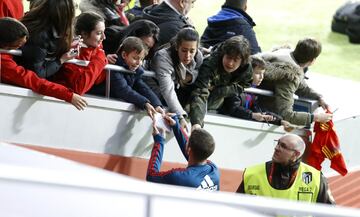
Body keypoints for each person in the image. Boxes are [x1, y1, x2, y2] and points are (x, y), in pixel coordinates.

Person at [0, 17, 87, 110]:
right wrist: (68, 95)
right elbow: (35, 82)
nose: (22, 49)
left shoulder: (6, 55)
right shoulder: (4, 62)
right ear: (6, 45)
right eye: (18, 46)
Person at [236, 134, 335, 204]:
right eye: (278, 143)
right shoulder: (253, 173)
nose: (277, 148)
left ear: (295, 154)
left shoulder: (316, 178)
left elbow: (329, 212)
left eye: (283, 146)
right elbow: (235, 208)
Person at [256, 38, 333, 126]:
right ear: (312, 61)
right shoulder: (288, 76)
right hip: (262, 114)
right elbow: (287, 115)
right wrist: (316, 118)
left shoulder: (283, 56)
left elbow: (301, 87)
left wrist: (319, 97)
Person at [189, 35, 253, 129]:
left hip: (222, 97)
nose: (230, 63)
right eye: (228, 57)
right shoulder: (210, 63)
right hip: (198, 96)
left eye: (235, 60)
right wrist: (196, 123)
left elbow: (245, 84)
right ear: (223, 54)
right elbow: (200, 93)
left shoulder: (246, 68)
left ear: (242, 61)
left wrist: (223, 90)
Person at [146, 114, 219, 190]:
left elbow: (151, 176)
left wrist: (159, 141)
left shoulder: (179, 177)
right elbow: (192, 151)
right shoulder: (214, 171)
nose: (186, 141)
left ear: (189, 149)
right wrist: (175, 125)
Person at [218, 56, 293, 129]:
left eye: (263, 73)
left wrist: (279, 120)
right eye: (257, 73)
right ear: (247, 73)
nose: (261, 77)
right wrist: (252, 115)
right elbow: (233, 109)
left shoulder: (253, 91)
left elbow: (258, 111)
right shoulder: (235, 87)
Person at [150, 27, 203, 132]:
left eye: (192, 51)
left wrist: (190, 77)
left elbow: (198, 71)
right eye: (184, 50)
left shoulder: (198, 56)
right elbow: (168, 90)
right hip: (155, 87)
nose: (188, 56)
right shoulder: (163, 57)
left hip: (176, 87)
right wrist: (180, 116)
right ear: (177, 46)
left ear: (197, 49)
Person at [51, 12, 108, 96]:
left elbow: (97, 79)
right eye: (99, 33)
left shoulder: (94, 49)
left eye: (103, 32)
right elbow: (79, 88)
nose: (104, 37)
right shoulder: (71, 51)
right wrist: (100, 59)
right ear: (84, 34)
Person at [17, 0, 78, 78]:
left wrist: (68, 46)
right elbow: (37, 74)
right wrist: (62, 60)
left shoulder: (41, 26)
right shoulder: (39, 35)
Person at [109, 36, 163, 118]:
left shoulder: (134, 71)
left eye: (141, 59)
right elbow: (123, 90)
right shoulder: (115, 68)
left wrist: (156, 104)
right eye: (135, 58)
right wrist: (144, 103)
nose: (138, 63)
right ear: (124, 55)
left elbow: (143, 88)